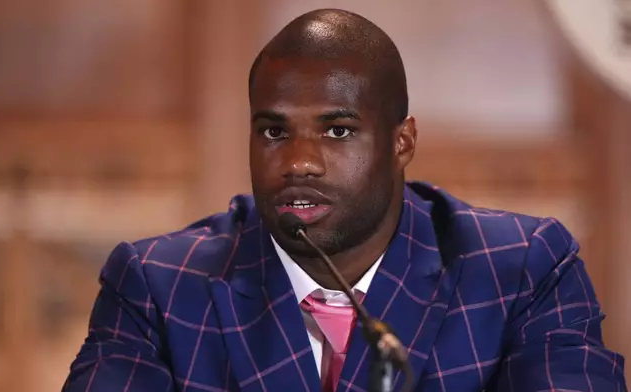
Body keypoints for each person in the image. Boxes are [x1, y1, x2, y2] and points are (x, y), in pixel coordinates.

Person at [62, 8, 626, 392]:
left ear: (401, 142)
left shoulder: (520, 269)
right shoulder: (158, 285)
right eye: (274, 132)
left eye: (336, 131)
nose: (298, 161)